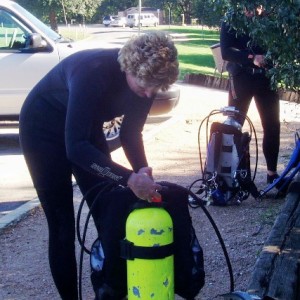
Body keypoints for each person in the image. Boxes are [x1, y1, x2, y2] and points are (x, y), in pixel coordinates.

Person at [19, 32, 181, 299]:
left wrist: (142, 172)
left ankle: (110, 290)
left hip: (84, 128)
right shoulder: (93, 71)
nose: (149, 93)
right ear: (130, 68)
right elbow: (76, 148)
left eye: (155, 88)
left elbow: (131, 133)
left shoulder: (150, 79)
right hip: (43, 129)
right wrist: (128, 178)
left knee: (109, 208)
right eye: (144, 87)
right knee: (61, 226)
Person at [220, 7, 281, 185]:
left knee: (272, 125)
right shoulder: (231, 18)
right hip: (241, 78)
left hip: (266, 79)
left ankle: (272, 174)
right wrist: (251, 58)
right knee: (233, 126)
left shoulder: (270, 19)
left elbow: (279, 47)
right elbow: (226, 51)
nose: (254, 9)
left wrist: (272, 59)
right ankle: (228, 176)